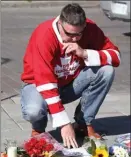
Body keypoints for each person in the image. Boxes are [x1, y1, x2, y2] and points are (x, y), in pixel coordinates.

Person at [20, 3, 121, 149]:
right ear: (60, 23)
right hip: (37, 85)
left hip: (70, 85)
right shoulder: (44, 34)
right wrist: (63, 123)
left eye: (78, 34)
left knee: (106, 70)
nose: (74, 39)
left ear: (84, 26)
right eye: (69, 34)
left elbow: (116, 56)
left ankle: (82, 123)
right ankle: (38, 130)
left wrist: (85, 53)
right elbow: (45, 81)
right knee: (33, 111)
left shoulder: (90, 28)